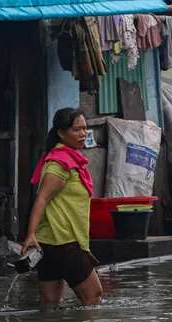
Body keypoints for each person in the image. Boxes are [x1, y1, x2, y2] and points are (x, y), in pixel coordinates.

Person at [22, 107, 103, 306]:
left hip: (49, 244)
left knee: (50, 304)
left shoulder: (65, 159)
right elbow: (41, 199)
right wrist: (30, 235)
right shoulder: (60, 164)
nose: (83, 134)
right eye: (76, 130)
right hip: (65, 241)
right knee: (93, 296)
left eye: (85, 128)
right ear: (61, 133)